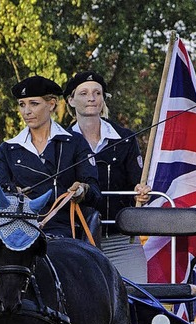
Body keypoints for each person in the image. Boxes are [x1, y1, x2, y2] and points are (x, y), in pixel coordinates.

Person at [63, 70, 151, 282]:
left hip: (120, 239)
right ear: (71, 100)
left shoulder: (126, 139)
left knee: (140, 301)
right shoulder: (60, 141)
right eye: (83, 93)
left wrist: (141, 193)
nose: (91, 98)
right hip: (75, 240)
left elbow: (137, 183)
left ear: (103, 99)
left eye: (97, 93)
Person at [0, 75, 101, 238]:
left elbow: (94, 191)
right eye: (22, 105)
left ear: (51, 104)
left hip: (63, 228)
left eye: (34, 104)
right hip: (18, 228)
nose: (26, 111)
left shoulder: (75, 143)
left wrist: (82, 191)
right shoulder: (7, 149)